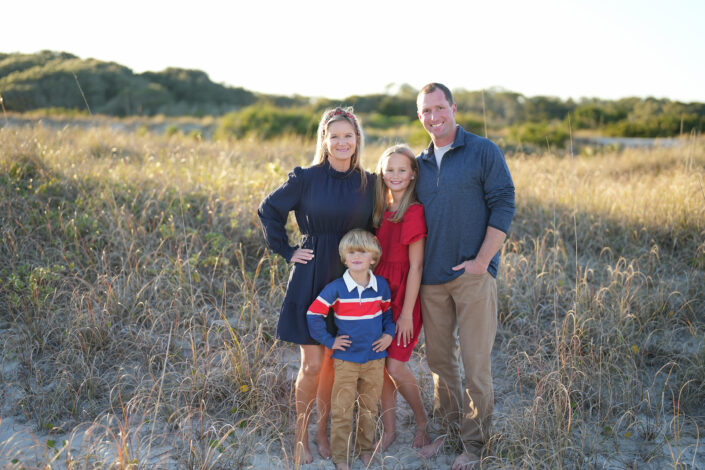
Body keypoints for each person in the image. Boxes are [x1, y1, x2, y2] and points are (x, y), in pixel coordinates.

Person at [257, 107, 375, 464]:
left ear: (357, 141)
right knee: (312, 363)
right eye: (334, 135)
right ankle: (299, 437)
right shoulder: (305, 178)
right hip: (312, 276)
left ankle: (323, 433)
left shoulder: (369, 182)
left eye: (348, 136)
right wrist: (287, 250)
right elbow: (268, 209)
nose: (342, 142)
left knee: (334, 364)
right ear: (325, 140)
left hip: (351, 278)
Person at [414, 83, 515, 470]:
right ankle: (448, 430)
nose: (434, 117)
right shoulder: (419, 162)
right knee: (440, 364)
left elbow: (504, 202)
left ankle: (474, 446)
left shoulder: (483, 151)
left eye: (440, 108)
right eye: (426, 111)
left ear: (453, 108)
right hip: (431, 280)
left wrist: (482, 261)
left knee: (476, 365)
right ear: (419, 116)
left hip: (473, 275)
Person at [306, 229, 395, 470]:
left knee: (369, 407)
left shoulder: (381, 286)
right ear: (344, 258)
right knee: (343, 408)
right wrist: (329, 340)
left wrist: (389, 334)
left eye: (362, 252)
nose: (357, 256)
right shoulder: (336, 288)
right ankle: (341, 457)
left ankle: (365, 449)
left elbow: (387, 313)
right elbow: (314, 313)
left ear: (373, 258)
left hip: (375, 358)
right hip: (345, 359)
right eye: (351, 252)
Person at [371, 144, 430, 451]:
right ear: (382, 172)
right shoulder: (379, 210)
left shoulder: (414, 211)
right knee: (380, 366)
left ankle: (422, 422)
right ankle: (390, 429)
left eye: (402, 170)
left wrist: (407, 313)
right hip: (378, 297)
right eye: (389, 169)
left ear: (412, 174)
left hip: (404, 298)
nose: (395, 175)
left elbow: (416, 266)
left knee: (395, 366)